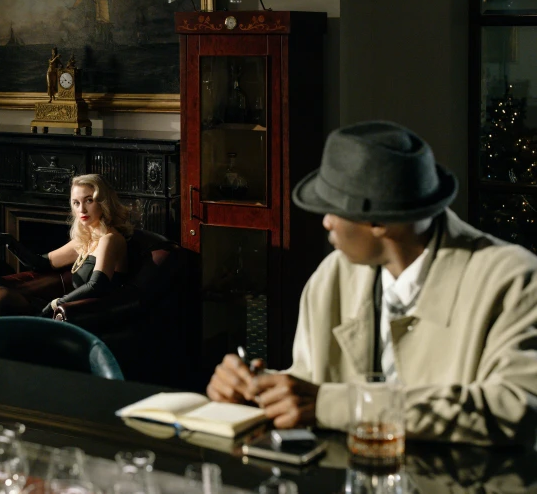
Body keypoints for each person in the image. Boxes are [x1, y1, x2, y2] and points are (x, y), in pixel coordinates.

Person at [206, 121, 537, 446]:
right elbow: (309, 385)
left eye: (333, 210)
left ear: (379, 222)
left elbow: (516, 407)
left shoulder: (512, 279)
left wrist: (338, 405)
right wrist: (256, 392)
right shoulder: (331, 277)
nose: (326, 222)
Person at [0, 173, 133, 318]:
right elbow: (40, 264)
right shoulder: (86, 239)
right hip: (65, 308)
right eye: (76, 203)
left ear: (103, 201)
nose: (82, 209)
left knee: (2, 299)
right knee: (0, 293)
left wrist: (55, 303)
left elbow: (96, 286)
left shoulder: (110, 239)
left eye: (89, 200)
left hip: (86, 314)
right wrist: (10, 242)